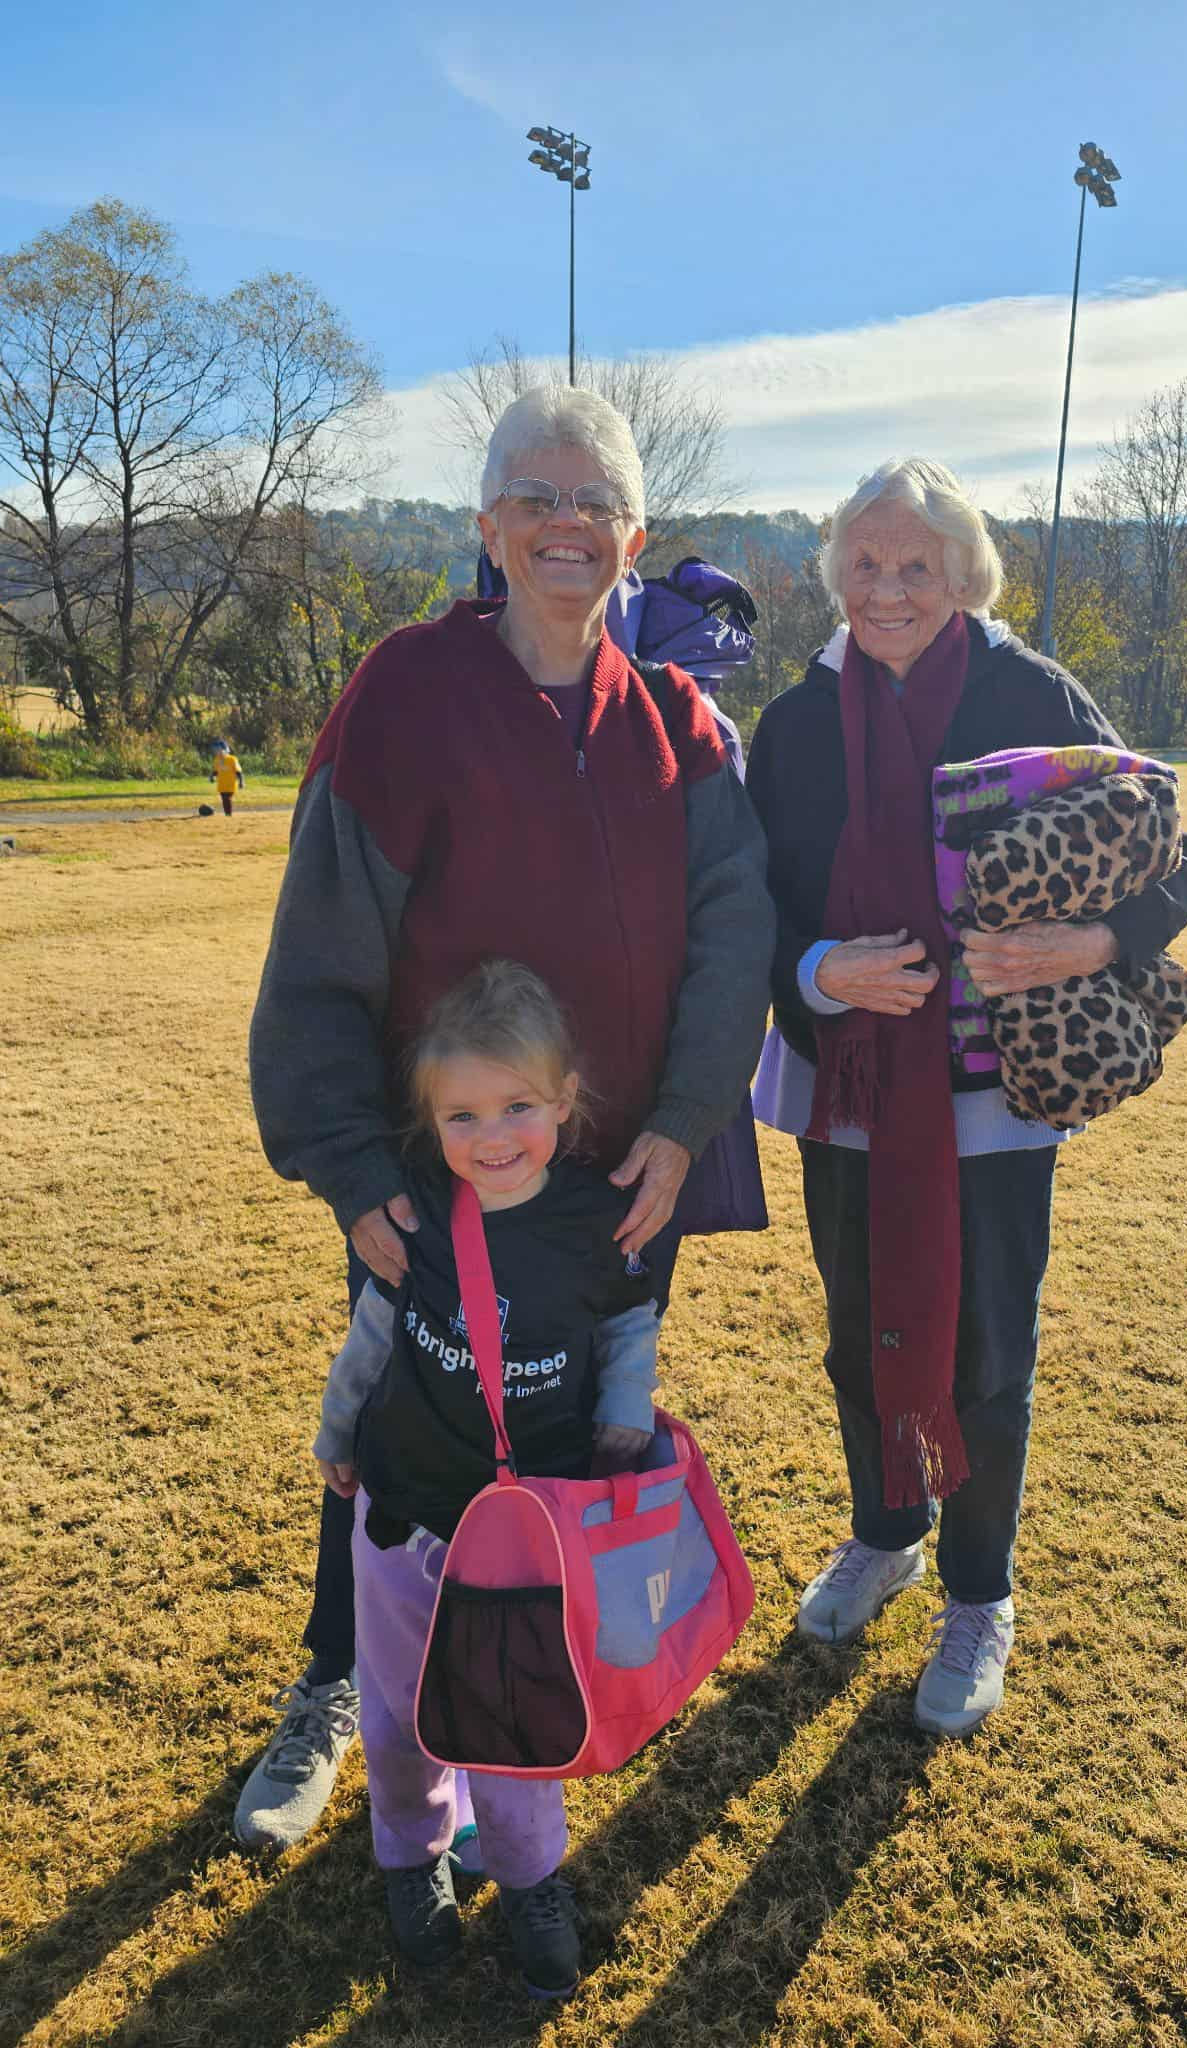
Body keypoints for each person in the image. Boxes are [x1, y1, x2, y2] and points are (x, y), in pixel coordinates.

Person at [241, 385, 773, 1853]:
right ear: (486, 526)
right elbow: (320, 949)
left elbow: (737, 933)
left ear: (635, 536)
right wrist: (351, 1169)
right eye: (534, 498)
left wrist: (680, 1121)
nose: (564, 525)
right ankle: (336, 1686)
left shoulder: (677, 723)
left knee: (561, 1467)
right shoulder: (409, 689)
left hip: (617, 1194)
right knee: (405, 1458)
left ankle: (526, 1717)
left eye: (594, 500)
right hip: (446, 1181)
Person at [746, 458, 1187, 1738]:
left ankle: (976, 1590)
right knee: (859, 1327)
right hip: (845, 1084)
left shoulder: (1029, 692)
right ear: (833, 569)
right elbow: (749, 903)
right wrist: (817, 969)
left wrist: (1093, 943)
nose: (887, 590)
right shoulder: (792, 725)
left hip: (991, 1093)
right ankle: (887, 1531)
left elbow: (1179, 852)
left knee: (987, 1343)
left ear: (964, 575)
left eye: (918, 566)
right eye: (866, 562)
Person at [311, 961, 655, 1990]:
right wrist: (337, 1431)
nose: (491, 1136)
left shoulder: (594, 1218)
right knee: (398, 1708)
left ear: (564, 1100)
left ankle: (529, 1873)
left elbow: (630, 1319)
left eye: (517, 1105)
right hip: (402, 1513)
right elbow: (371, 1335)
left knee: (512, 1711)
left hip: (524, 1531)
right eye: (461, 1113)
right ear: (429, 1116)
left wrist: (624, 1420)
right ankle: (410, 1857)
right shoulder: (416, 1213)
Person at [210, 741, 244, 816]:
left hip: (230, 784)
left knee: (227, 798)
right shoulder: (217, 760)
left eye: (218, 750)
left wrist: (241, 782)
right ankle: (227, 814)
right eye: (215, 750)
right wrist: (212, 776)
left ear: (225, 750)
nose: (217, 752)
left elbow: (239, 772)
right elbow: (215, 771)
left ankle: (229, 814)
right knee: (223, 799)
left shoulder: (232, 759)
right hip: (221, 784)